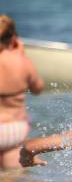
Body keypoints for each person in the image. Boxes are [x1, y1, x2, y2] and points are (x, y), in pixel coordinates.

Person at [0, 15, 44, 169]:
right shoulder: (22, 62)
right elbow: (38, 88)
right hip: (14, 130)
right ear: (13, 38)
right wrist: (21, 56)